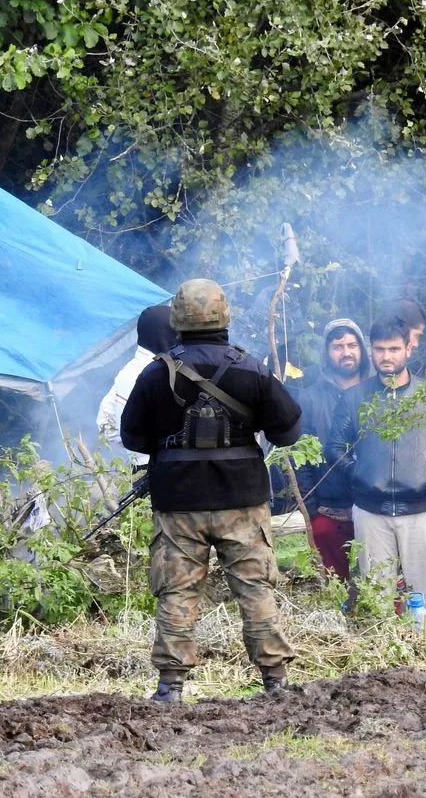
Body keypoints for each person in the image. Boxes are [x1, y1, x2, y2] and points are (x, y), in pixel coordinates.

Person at [120, 279, 302, 704]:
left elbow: (132, 438)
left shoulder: (155, 372)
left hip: (178, 504)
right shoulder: (251, 368)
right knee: (255, 588)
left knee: (177, 592)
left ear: (177, 319)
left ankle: (170, 688)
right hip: (242, 502)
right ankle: (275, 681)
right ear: (225, 315)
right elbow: (289, 430)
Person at [326, 317, 426, 615]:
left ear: (408, 349)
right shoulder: (355, 398)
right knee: (376, 599)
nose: (386, 356)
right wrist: (359, 475)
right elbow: (335, 448)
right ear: (371, 350)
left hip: (422, 510)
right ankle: (383, 656)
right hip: (370, 511)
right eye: (379, 349)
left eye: (393, 349)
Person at [288, 319, 372, 580]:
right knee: (337, 585)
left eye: (351, 345)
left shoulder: (379, 392)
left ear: (362, 349)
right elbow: (298, 456)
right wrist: (311, 510)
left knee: (381, 582)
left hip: (376, 506)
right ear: (327, 353)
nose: (346, 352)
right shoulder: (309, 398)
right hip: (329, 509)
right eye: (338, 346)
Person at [96, 304, 178, 466]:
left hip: (145, 461)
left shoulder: (129, 370)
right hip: (155, 463)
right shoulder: (152, 372)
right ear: (164, 333)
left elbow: (104, 421)